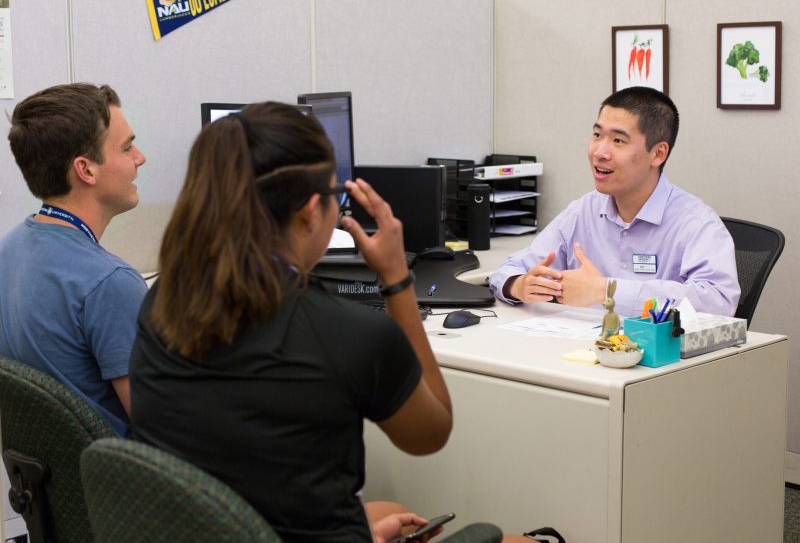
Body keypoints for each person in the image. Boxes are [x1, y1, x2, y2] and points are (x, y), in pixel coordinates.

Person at [129, 103, 528, 543]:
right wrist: (396, 279)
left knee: (393, 512)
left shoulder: (161, 303)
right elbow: (430, 434)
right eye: (334, 196)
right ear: (308, 212)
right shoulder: (348, 332)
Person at [490, 86, 740, 318]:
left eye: (618, 140)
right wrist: (520, 285)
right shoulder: (583, 211)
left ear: (658, 153)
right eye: (597, 135)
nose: (600, 152)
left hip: (658, 360)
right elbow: (509, 270)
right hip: (578, 353)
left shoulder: (696, 223)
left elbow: (719, 303)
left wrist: (607, 291)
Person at [0, 83, 147, 438]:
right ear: (87, 170)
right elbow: (163, 432)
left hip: (55, 488)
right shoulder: (109, 282)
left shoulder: (8, 251)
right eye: (127, 147)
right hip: (119, 488)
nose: (139, 157)